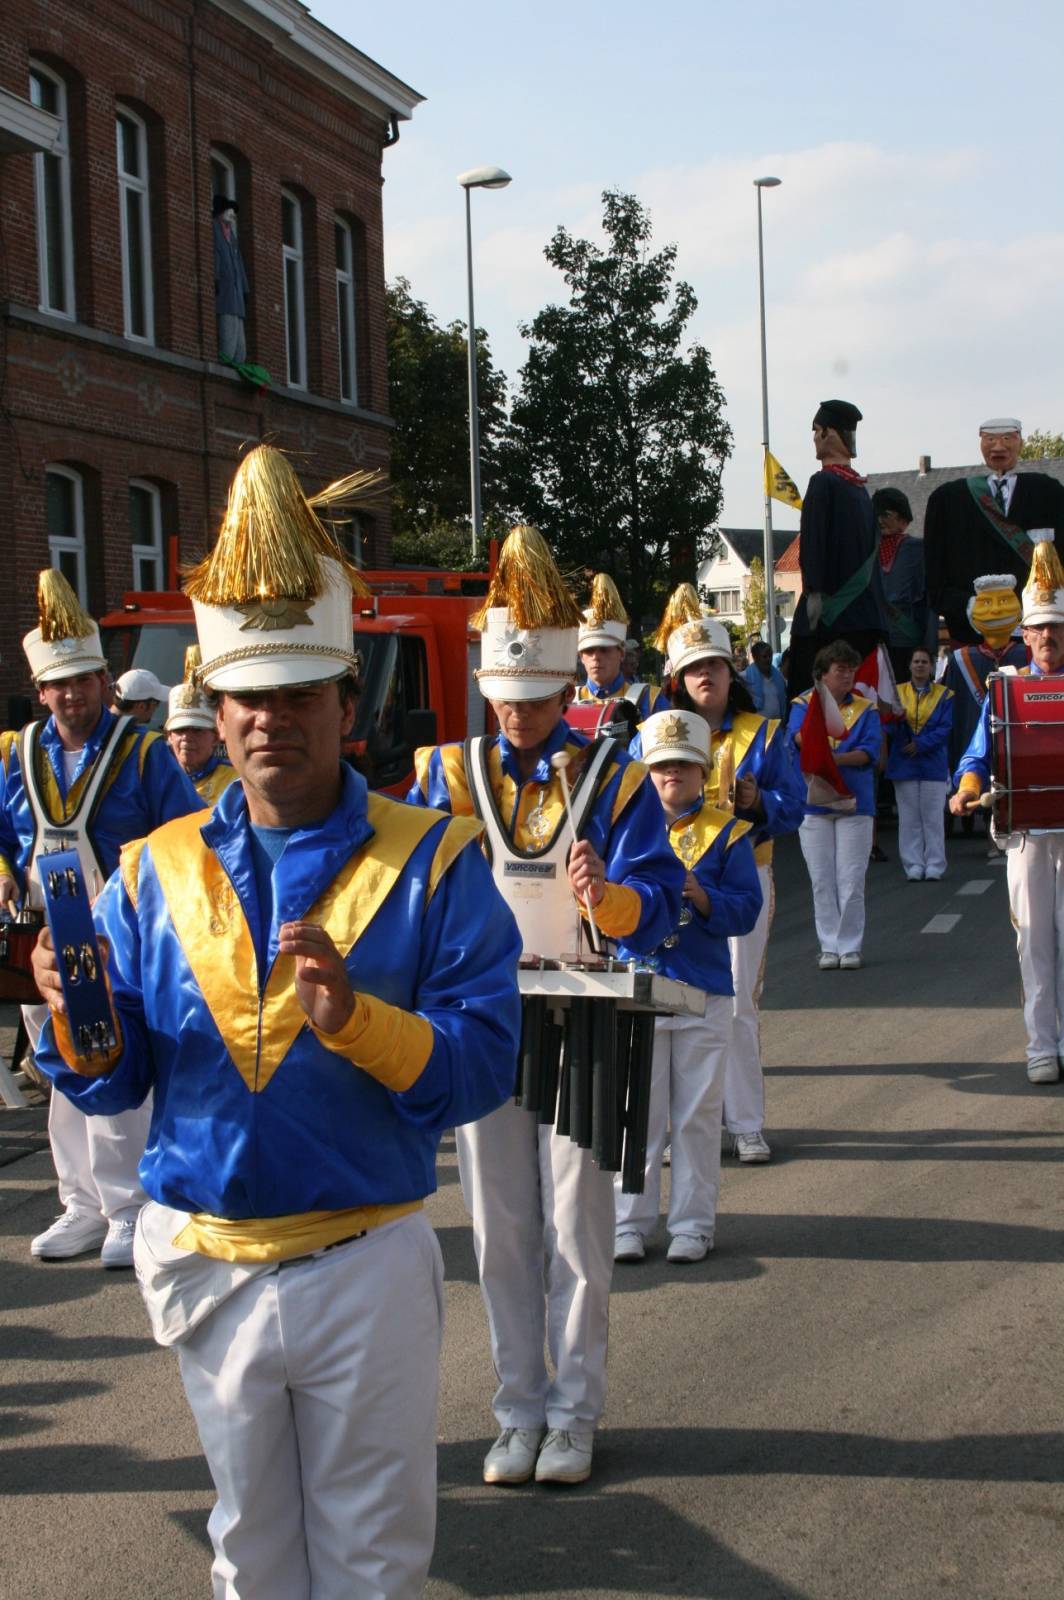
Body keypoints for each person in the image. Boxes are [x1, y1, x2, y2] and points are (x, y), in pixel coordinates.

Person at [33, 444, 522, 1598]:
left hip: (364, 1258)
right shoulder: (153, 869)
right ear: (215, 706)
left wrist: (357, 1021)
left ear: (348, 704)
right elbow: (116, 1081)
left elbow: (482, 1065)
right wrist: (70, 1016)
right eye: (249, 697)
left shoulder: (435, 859)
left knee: (371, 1561)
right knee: (250, 1553)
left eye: (300, 695)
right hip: (208, 1258)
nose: (270, 721)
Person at [409, 525, 682, 1488]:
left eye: (536, 699)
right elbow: (406, 888)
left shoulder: (615, 776)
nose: (520, 714)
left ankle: (574, 1413)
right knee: (498, 1228)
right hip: (485, 1021)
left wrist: (609, 896)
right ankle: (517, 1407)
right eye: (506, 697)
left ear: (569, 691)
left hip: (582, 1017)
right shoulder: (444, 775)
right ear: (487, 690)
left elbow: (659, 900)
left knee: (577, 1225)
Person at [0, 572, 200, 1266]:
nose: (72, 695)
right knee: (59, 1068)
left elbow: (183, 837)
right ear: (41, 691)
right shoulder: (19, 752)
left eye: (84, 681)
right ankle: (81, 1203)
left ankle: (127, 1205)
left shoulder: (143, 752)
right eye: (59, 684)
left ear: (104, 683)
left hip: (117, 933)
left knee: (109, 1056)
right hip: (42, 933)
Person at [641, 605, 805, 1164]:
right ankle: (683, 1125)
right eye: (694, 667)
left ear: (732, 672)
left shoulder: (767, 734)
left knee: (736, 1004)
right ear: (679, 679)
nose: (705, 675)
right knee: (671, 998)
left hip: (741, 875)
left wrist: (760, 803)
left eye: (713, 664)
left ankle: (746, 1123)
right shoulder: (654, 735)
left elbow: (795, 806)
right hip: (668, 882)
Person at [613, 709, 762, 1264]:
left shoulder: (730, 832)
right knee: (635, 1116)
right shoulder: (623, 831)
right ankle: (628, 1223)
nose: (671, 773)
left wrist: (703, 898)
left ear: (703, 771)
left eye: (682, 763)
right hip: (638, 987)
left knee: (697, 1117)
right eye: (660, 765)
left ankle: (693, 1225)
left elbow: (747, 909)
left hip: (704, 989)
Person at [951, 541, 1064, 1085]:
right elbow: (977, 753)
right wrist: (968, 787)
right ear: (1024, 634)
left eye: (1056, 627)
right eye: (1038, 628)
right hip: (1026, 832)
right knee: (1033, 938)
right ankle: (1041, 1045)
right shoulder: (1006, 687)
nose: (1047, 637)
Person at [924, 417, 1064, 645]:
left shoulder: (1049, 493)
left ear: (1020, 442)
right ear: (981, 443)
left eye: (1007, 438)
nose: (998, 447)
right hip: (972, 633)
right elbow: (934, 579)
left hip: (1036, 632)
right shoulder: (947, 500)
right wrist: (969, 606)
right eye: (990, 440)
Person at [789, 639, 882, 970]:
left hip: (854, 803)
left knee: (851, 879)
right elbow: (797, 739)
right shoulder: (803, 704)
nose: (848, 675)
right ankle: (829, 945)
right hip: (813, 804)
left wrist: (831, 760)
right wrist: (821, 751)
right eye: (841, 669)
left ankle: (850, 946)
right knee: (822, 879)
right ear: (822, 674)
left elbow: (869, 752)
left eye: (851, 670)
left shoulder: (867, 709)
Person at [787, 399, 889, 697]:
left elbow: (813, 543)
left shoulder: (823, 482)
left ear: (829, 433)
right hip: (867, 618)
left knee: (810, 699)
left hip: (829, 622)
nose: (814, 439)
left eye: (816, 430)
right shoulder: (861, 490)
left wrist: (814, 591)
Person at [942, 574, 1027, 794]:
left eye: (1004, 602)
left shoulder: (1029, 657)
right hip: (971, 742)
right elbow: (950, 712)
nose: (996, 610)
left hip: (1019, 749)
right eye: (986, 603)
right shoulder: (959, 660)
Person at [885, 647, 954, 881]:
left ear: (932, 666)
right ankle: (913, 864)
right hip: (904, 763)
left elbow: (945, 728)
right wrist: (898, 727)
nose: (920, 665)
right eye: (916, 661)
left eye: (924, 661)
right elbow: (887, 725)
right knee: (908, 819)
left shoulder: (945, 695)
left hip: (932, 763)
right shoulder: (896, 693)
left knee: (933, 818)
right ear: (910, 665)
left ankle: (935, 864)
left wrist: (921, 744)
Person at [574, 572, 667, 721]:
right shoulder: (567, 702)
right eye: (589, 651)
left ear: (621, 653)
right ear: (581, 656)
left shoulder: (650, 700)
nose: (596, 657)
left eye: (604, 650)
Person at [871, 487, 936, 681]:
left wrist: (929, 648)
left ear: (903, 520)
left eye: (886, 515)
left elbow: (930, 601)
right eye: (876, 515)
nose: (880, 520)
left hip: (906, 643)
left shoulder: (918, 549)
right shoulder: (866, 550)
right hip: (873, 640)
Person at [164, 645, 237, 805]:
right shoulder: (156, 779)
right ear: (169, 736)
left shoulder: (235, 782)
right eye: (180, 730)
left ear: (216, 737)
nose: (186, 737)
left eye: (197, 731)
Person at [213, 194, 251, 364]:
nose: (232, 215)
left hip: (237, 298)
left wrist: (245, 289)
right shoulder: (214, 229)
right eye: (229, 211)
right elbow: (215, 256)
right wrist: (215, 278)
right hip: (225, 296)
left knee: (240, 350)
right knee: (228, 344)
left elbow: (239, 263)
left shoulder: (232, 237)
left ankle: (236, 367)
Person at [742, 640, 788, 721]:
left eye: (770, 656)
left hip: (777, 724)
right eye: (764, 656)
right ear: (755, 658)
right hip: (756, 726)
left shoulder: (779, 676)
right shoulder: (745, 677)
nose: (768, 659)